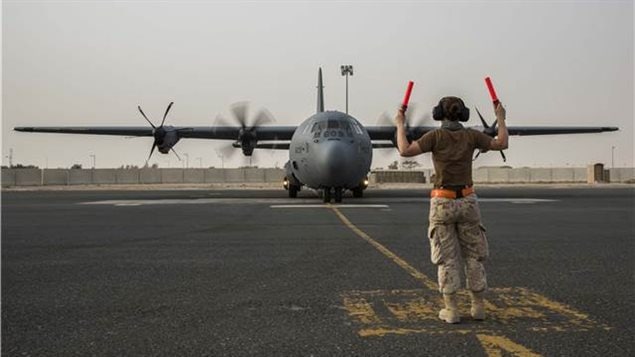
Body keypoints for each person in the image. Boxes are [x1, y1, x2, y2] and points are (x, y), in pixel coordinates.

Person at [395, 96, 508, 324]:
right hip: (468, 201)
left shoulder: (435, 137)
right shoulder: (472, 136)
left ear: (438, 114)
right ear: (463, 114)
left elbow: (405, 150)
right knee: (474, 256)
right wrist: (500, 118)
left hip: (442, 201)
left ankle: (452, 310)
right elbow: (501, 143)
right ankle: (478, 307)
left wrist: (399, 123)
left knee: (447, 258)